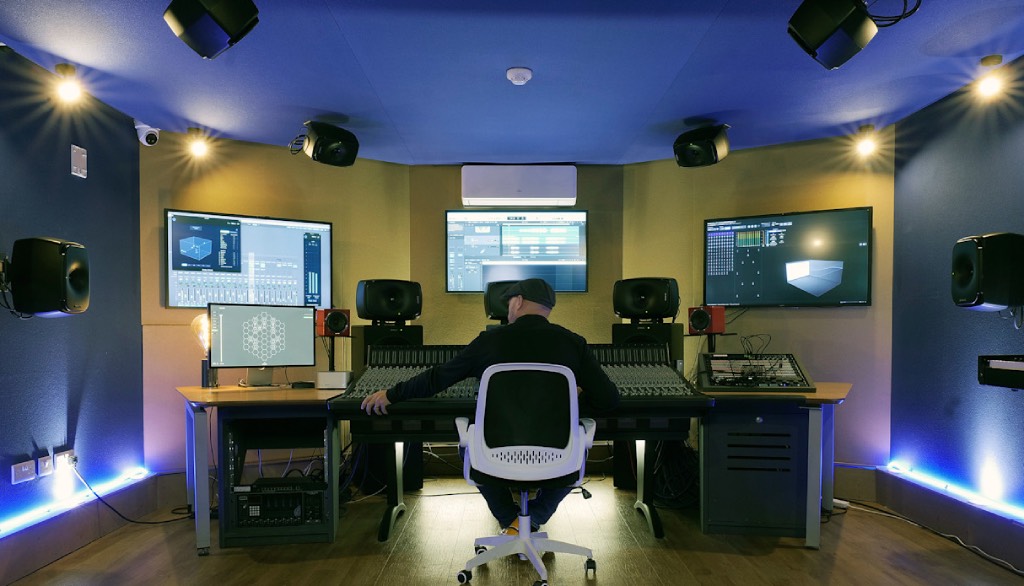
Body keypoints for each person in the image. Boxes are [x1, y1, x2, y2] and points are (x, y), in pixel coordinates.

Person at [360, 277, 619, 534]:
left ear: (518, 302)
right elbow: (609, 399)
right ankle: (533, 518)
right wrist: (572, 400)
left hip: (495, 457)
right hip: (555, 458)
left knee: (469, 444)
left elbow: (438, 378)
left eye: (509, 303)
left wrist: (392, 394)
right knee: (578, 444)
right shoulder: (573, 343)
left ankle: (509, 519)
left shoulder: (489, 341)